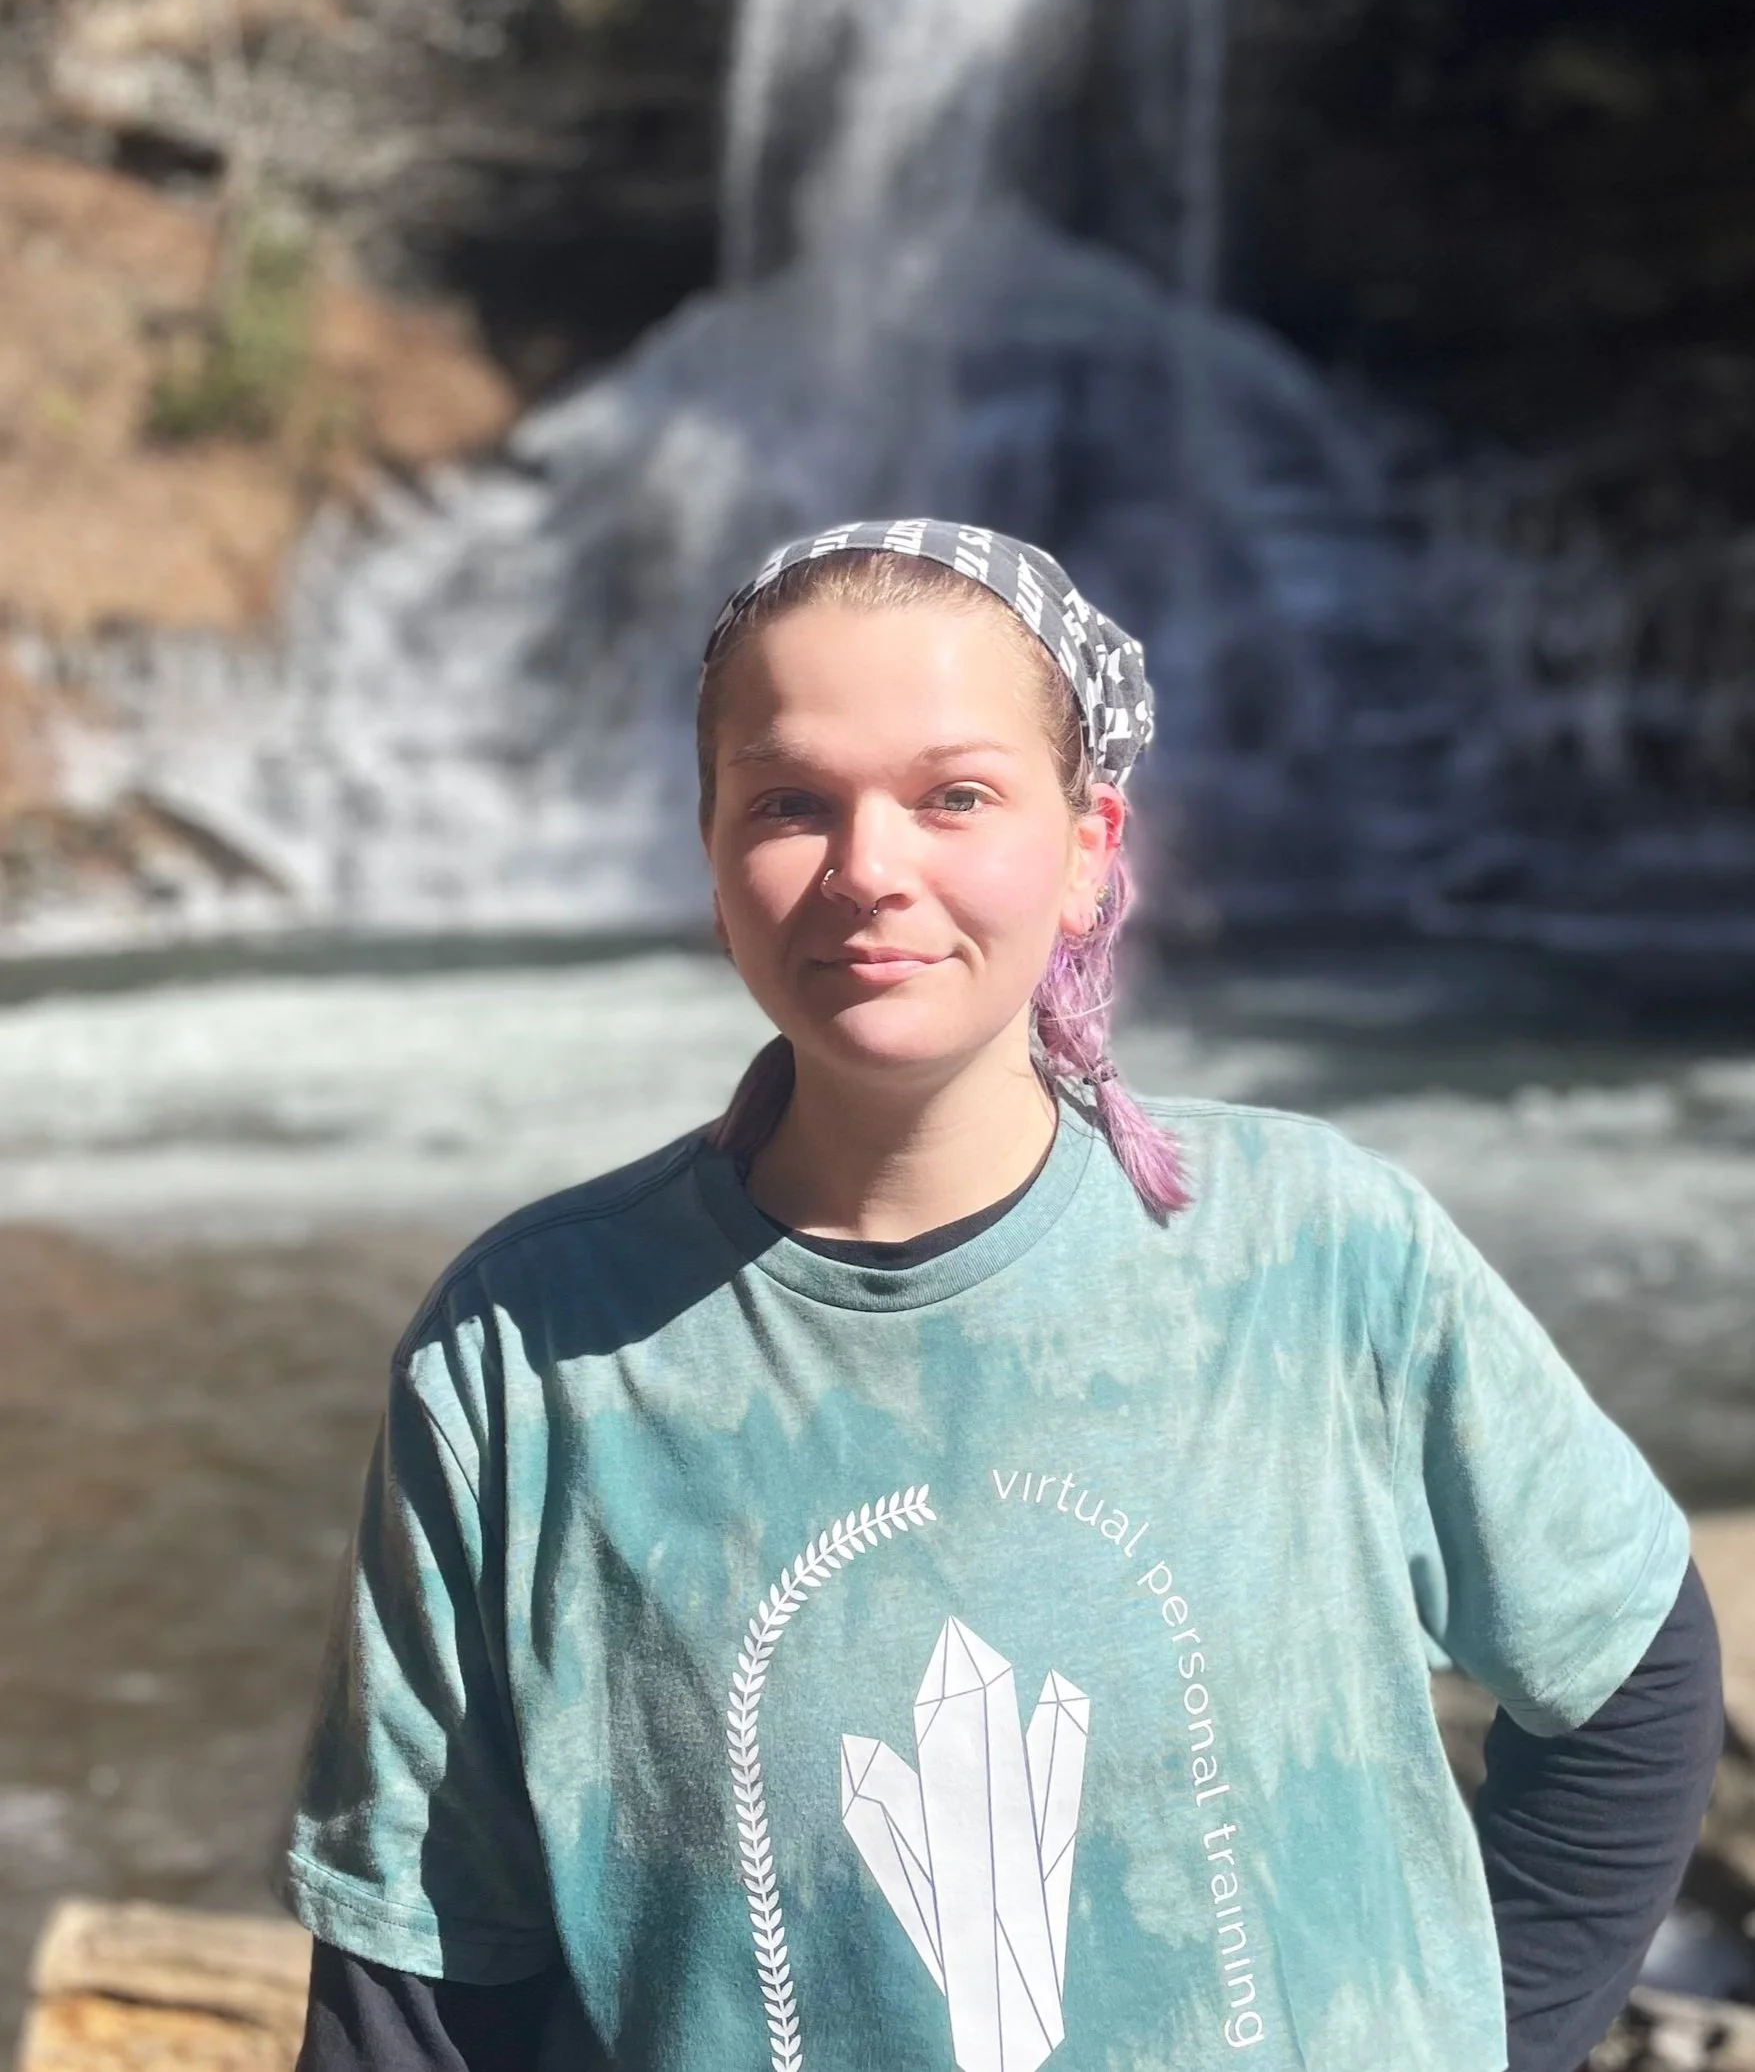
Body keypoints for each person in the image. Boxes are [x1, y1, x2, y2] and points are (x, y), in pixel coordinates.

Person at [284, 521, 1723, 2072]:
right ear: (708, 859)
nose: (867, 870)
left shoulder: (1324, 1253)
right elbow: (422, 1981)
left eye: (953, 795)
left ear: (1091, 844)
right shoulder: (524, 1347)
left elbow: (1630, 1680)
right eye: (787, 805)